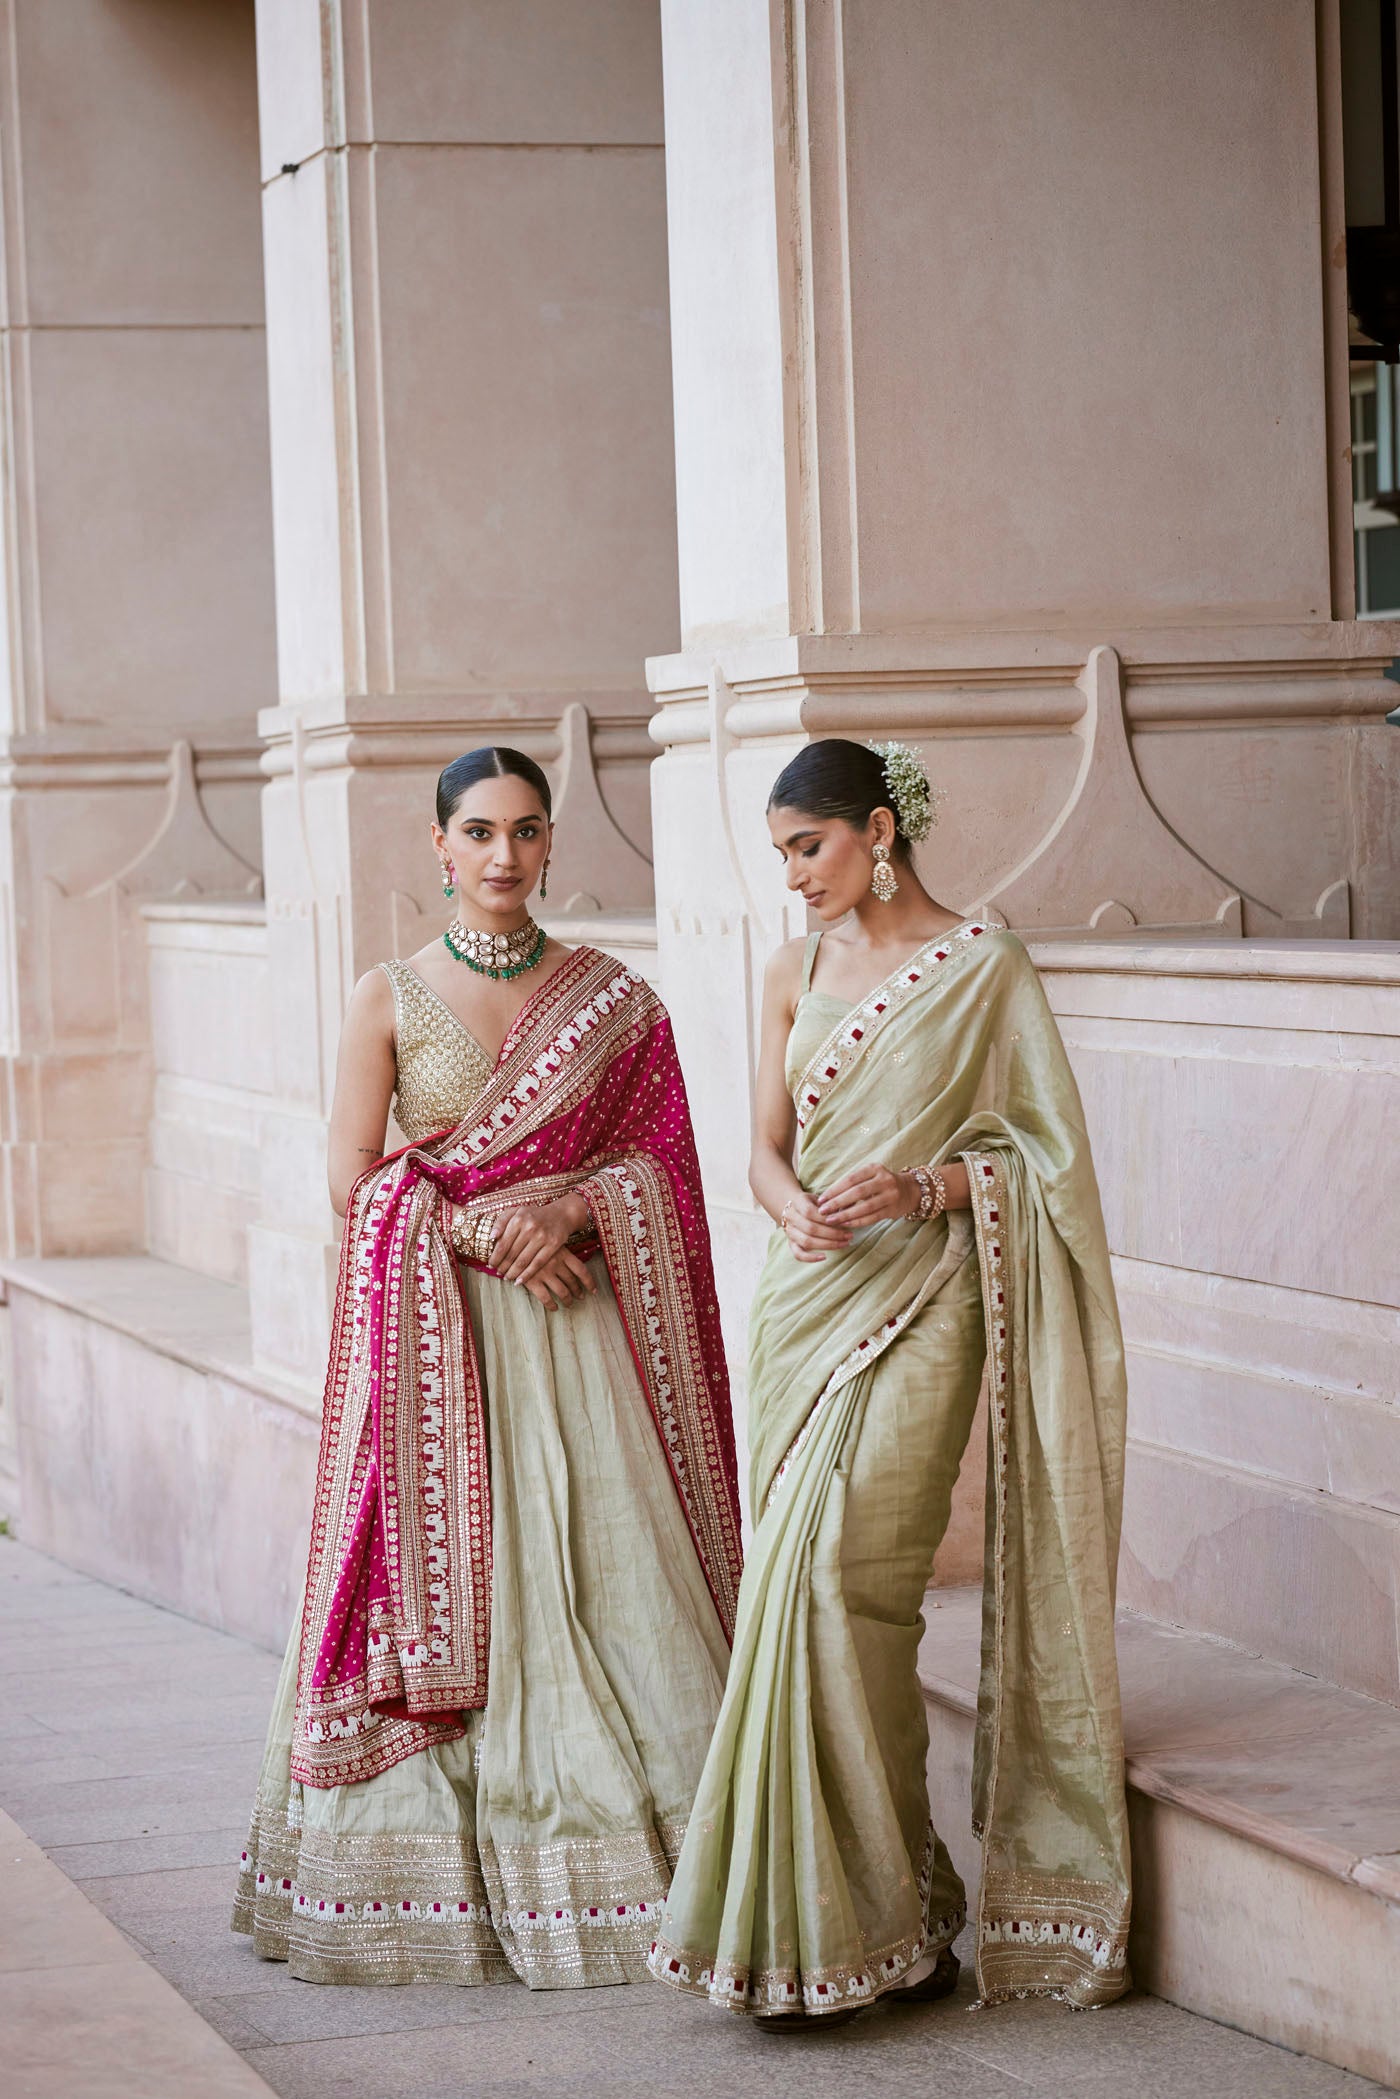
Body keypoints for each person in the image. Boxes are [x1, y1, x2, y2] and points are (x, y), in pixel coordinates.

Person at [233, 746, 742, 1989]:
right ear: (437, 844)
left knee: (614, 1581)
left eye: (524, 830)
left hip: (581, 1337)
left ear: (552, 841)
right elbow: (357, 1181)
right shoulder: (386, 996)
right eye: (478, 831)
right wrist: (468, 1225)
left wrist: (568, 1214)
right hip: (443, 1345)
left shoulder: (617, 1002)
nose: (502, 855)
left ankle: (663, 1867)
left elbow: (666, 1172)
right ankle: (443, 1881)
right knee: (477, 1581)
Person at [647, 737, 1131, 2027]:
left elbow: (1052, 1164)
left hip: (927, 1296)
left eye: (808, 846)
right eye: (780, 854)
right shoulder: (788, 965)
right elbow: (755, 1147)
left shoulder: (983, 964)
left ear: (876, 829)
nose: (793, 875)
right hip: (804, 1304)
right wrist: (792, 1205)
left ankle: (863, 1906)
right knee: (798, 1587)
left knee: (847, 1576)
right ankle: (880, 1913)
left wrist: (927, 1185)